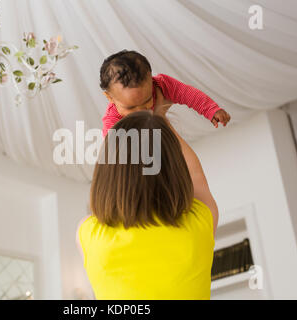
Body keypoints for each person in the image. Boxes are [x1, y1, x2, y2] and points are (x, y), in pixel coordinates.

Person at [76, 111, 219, 299]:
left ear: (108, 175)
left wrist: (119, 140)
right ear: (175, 169)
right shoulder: (199, 224)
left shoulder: (89, 233)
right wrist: (160, 117)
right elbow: (196, 176)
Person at [99, 50, 231, 137]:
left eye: (147, 102)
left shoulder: (161, 84)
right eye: (131, 108)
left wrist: (211, 110)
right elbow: (113, 150)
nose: (140, 112)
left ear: (151, 81)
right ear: (110, 98)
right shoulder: (113, 120)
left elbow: (188, 94)